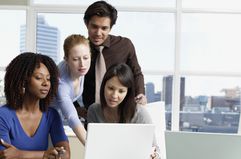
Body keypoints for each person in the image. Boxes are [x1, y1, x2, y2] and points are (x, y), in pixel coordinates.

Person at [0, 52, 70, 159]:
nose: (46, 83)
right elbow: (5, 155)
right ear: (23, 81)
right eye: (39, 78)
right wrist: (44, 155)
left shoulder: (52, 115)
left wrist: (19, 154)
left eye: (48, 78)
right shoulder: (3, 115)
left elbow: (66, 155)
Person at [83, 0, 147, 108]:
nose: (98, 33)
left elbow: (136, 73)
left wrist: (140, 94)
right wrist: (76, 108)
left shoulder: (125, 45)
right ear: (86, 23)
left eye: (104, 28)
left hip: (122, 111)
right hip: (90, 114)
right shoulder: (80, 49)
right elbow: (66, 80)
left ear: (111, 28)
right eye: (94, 26)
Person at [87, 63, 160, 159]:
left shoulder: (140, 114)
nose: (114, 95)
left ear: (128, 92)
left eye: (121, 91)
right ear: (103, 86)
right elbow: (93, 149)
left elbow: (155, 151)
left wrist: (154, 155)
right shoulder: (94, 110)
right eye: (110, 88)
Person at [51, 34, 91, 145]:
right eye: (75, 59)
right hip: (42, 118)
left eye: (86, 57)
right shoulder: (61, 82)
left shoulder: (80, 70)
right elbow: (72, 117)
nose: (82, 64)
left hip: (56, 116)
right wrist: (92, 147)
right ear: (66, 60)